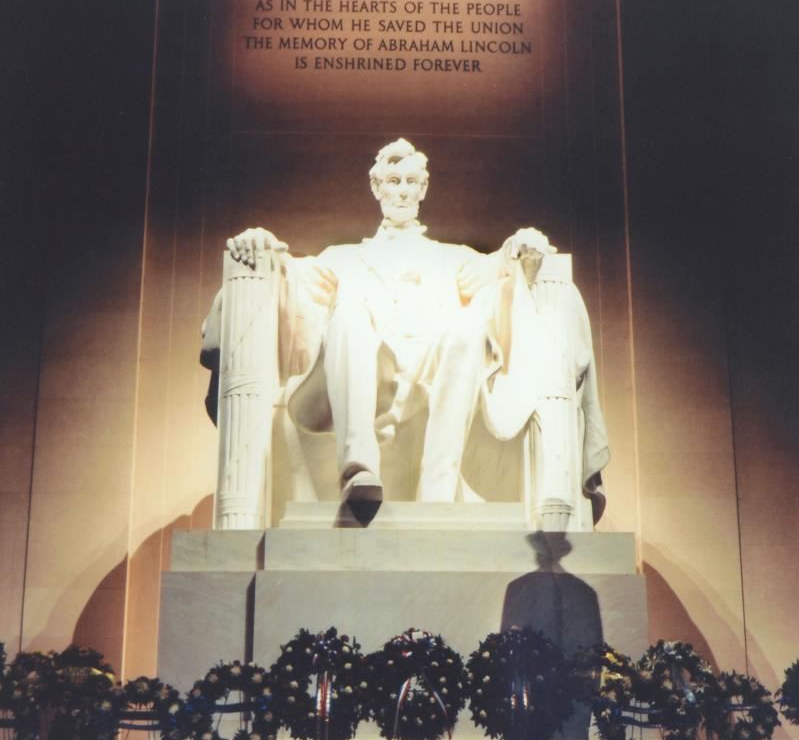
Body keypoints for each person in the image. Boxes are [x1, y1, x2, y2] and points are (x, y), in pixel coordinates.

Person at [203, 139, 609, 527]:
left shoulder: (453, 258)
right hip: (367, 375)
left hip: (436, 375)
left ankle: (439, 485)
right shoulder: (342, 259)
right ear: (376, 187)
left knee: (468, 326)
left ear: (423, 189)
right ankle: (358, 468)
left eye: (411, 182)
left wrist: (517, 248)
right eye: (394, 181)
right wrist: (263, 247)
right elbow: (293, 275)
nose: (402, 191)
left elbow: (499, 274)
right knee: (349, 312)